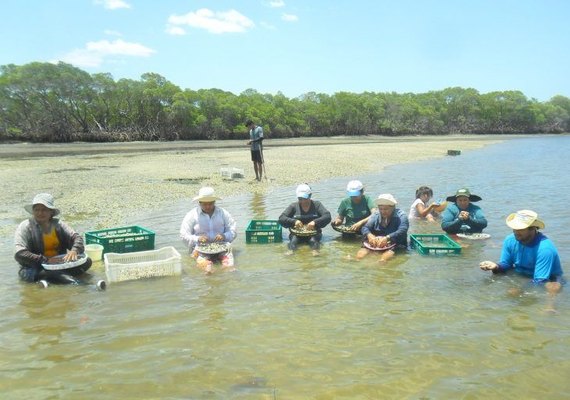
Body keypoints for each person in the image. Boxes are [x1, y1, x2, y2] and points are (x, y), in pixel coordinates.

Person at [14, 193, 94, 287]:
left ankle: (55, 281)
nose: (40, 213)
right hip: (34, 268)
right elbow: (20, 254)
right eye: (37, 210)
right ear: (33, 211)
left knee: (87, 261)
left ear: (51, 212)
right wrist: (45, 260)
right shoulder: (25, 226)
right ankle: (83, 285)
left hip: (59, 264)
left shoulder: (59, 225)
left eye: (44, 210)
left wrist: (74, 250)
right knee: (51, 273)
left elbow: (77, 238)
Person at [480, 210, 563, 296]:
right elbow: (506, 264)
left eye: (520, 229)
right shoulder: (510, 240)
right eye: (514, 228)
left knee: (553, 287)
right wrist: (496, 266)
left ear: (532, 228)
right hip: (522, 273)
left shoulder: (545, 249)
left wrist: (521, 288)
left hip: (548, 278)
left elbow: (541, 280)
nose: (515, 232)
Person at [180, 187, 237, 273]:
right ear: (199, 203)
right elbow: (183, 235)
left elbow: (233, 230)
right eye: (204, 204)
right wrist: (197, 239)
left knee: (229, 268)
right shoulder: (192, 215)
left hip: (221, 246)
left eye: (210, 204)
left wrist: (224, 235)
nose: (207, 206)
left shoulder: (223, 213)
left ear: (214, 202)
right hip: (200, 249)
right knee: (208, 270)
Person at [278, 184, 331, 256]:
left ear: (310, 195)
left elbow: (327, 216)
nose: (303, 201)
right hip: (296, 234)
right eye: (300, 199)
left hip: (314, 234)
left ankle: (315, 251)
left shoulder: (317, 205)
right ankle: (291, 251)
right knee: (293, 241)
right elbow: (281, 218)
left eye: (305, 198)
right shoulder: (293, 206)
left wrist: (315, 222)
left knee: (313, 241)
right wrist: (294, 221)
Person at [357, 194, 409, 262]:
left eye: (386, 209)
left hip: (395, 242)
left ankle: (382, 261)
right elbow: (365, 227)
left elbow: (403, 230)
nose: (383, 211)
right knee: (362, 252)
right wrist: (369, 235)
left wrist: (387, 237)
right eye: (380, 209)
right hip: (376, 242)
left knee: (386, 256)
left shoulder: (401, 215)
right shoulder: (376, 215)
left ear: (393, 207)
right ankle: (357, 260)